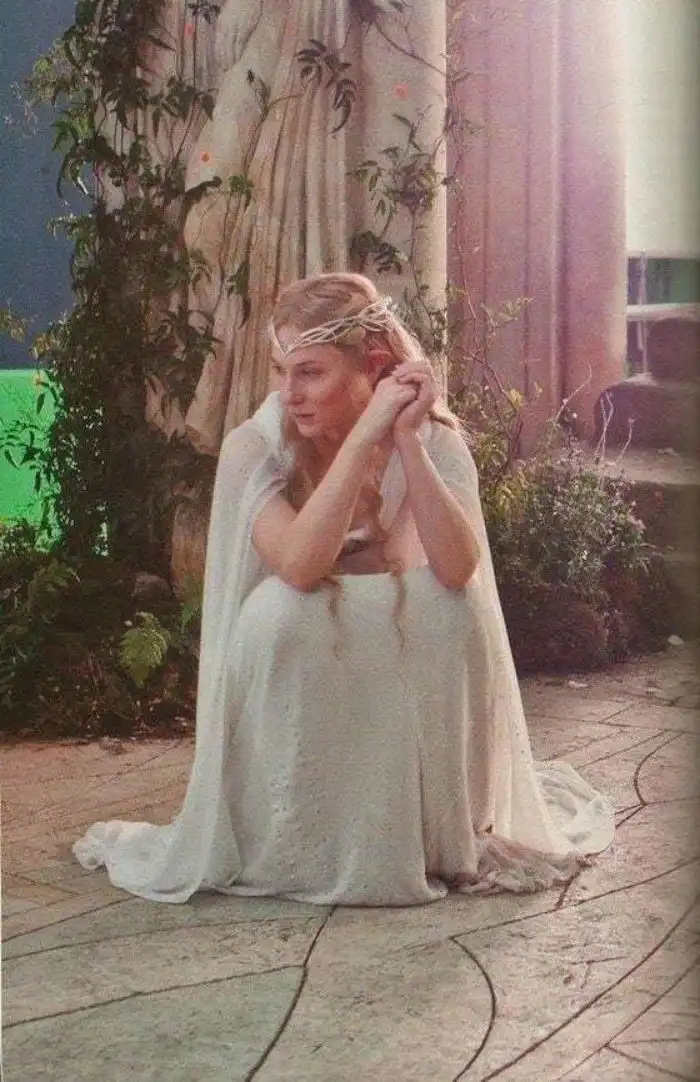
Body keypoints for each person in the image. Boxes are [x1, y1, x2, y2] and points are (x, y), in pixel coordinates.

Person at [73, 272, 614, 905]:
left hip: (387, 635)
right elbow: (301, 565)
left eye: (311, 373)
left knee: (451, 607)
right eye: (282, 372)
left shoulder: (433, 440)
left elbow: (454, 569)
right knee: (283, 608)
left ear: (375, 366)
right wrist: (361, 438)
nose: (290, 394)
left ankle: (431, 835)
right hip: (303, 647)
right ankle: (298, 836)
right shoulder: (254, 449)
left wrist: (405, 439)